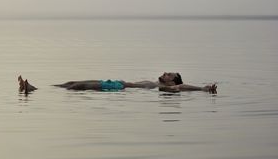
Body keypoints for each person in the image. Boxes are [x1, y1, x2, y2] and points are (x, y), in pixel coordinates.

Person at [18, 72, 217, 94]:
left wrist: (205, 89)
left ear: (173, 81)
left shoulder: (172, 87)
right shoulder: (158, 85)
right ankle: (33, 87)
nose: (164, 74)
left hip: (117, 87)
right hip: (114, 82)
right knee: (73, 81)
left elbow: (185, 87)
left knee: (78, 87)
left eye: (168, 74)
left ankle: (33, 90)